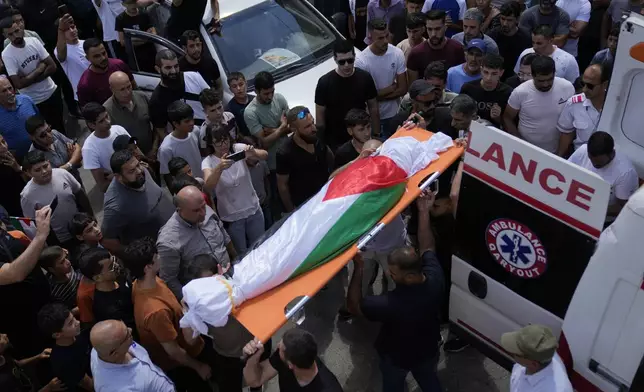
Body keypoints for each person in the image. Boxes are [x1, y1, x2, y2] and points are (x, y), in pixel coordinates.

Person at [346, 190, 444, 391]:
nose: (389, 275)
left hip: (396, 359)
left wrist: (359, 268)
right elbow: (428, 246)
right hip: (428, 350)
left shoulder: (388, 305)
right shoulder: (435, 279)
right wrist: (423, 211)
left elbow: (354, 306)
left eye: (392, 273)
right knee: (429, 380)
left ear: (408, 277)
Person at [123, 238, 213, 392]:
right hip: (184, 363)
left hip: (192, 341)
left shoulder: (145, 282)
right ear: (147, 267)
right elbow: (173, 351)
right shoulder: (155, 311)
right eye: (156, 256)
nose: (160, 257)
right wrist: (198, 367)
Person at [157, 185, 237, 299]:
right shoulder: (169, 242)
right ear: (180, 211)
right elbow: (169, 280)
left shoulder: (205, 209)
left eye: (203, 206)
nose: (203, 213)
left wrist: (236, 260)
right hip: (207, 295)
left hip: (230, 278)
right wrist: (191, 302)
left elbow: (225, 238)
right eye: (196, 211)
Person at [202, 127, 268, 253]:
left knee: (261, 246)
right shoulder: (208, 161)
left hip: (252, 207)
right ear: (211, 143)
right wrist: (219, 168)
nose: (224, 145)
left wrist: (253, 153)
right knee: (242, 253)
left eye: (226, 140)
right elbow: (207, 187)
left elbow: (265, 155)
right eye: (218, 142)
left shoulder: (238, 148)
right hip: (232, 216)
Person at [0, 206, 52, 362]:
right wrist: (41, 235)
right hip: (23, 323)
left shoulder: (6, 230)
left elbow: (28, 252)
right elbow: (14, 274)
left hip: (44, 303)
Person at [1, 17, 65, 135]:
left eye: (16, 31)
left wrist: (28, 79)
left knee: (61, 128)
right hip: (34, 101)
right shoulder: (7, 55)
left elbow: (52, 66)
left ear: (20, 27)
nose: (15, 36)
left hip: (51, 91)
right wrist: (40, 69)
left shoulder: (33, 41)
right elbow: (18, 84)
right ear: (5, 36)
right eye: (10, 34)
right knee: (45, 133)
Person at [102, 149, 174, 253]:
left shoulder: (142, 173)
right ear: (118, 177)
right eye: (131, 171)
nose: (139, 171)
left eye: (138, 165)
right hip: (161, 252)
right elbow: (108, 241)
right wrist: (138, 254)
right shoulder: (115, 207)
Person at [315, 39, 379, 151]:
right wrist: (323, 146)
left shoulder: (364, 78)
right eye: (342, 62)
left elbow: (373, 107)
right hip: (335, 141)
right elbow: (320, 120)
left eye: (350, 60)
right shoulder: (324, 83)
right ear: (335, 59)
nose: (346, 65)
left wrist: (376, 133)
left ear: (354, 57)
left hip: (361, 137)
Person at [503, 55, 575, 154]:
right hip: (525, 151)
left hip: (557, 151)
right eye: (541, 81)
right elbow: (507, 117)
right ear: (532, 75)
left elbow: (571, 121)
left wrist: (560, 154)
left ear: (554, 74)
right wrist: (518, 143)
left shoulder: (567, 88)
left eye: (549, 79)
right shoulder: (520, 92)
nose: (545, 84)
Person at [20, 151, 92, 248]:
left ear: (49, 162)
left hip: (83, 228)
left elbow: (80, 194)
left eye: (45, 166)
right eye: (38, 170)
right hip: (61, 240)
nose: (44, 171)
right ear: (28, 173)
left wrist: (91, 217)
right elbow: (32, 225)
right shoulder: (27, 196)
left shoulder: (62, 174)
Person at [243, 328, 343, 391]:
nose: (277, 346)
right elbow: (255, 380)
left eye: (281, 348)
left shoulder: (329, 388)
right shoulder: (290, 356)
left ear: (291, 365)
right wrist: (253, 357)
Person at [568, 131, 638, 221]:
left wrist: (590, 209)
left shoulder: (626, 173)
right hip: (575, 208)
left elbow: (623, 207)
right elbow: (567, 172)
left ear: (612, 154)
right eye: (591, 159)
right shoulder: (582, 151)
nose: (594, 164)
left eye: (599, 163)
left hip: (603, 221)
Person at [90, 320, 176, 392]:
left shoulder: (98, 350)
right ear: (115, 353)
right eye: (127, 335)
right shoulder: (116, 389)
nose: (130, 330)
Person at [356, 18, 408, 139]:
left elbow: (403, 89)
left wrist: (376, 97)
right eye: (380, 38)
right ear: (371, 37)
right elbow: (364, 97)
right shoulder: (362, 61)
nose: (385, 41)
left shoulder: (397, 53)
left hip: (395, 114)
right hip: (374, 119)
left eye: (387, 36)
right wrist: (390, 89)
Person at [277, 106, 334, 213]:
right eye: (307, 126)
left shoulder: (317, 137)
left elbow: (330, 159)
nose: (314, 128)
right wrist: (291, 211)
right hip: (304, 206)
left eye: (313, 122)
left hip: (325, 197)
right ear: (294, 129)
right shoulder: (285, 152)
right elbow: (282, 185)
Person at [149, 50, 209, 135]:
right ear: (158, 69)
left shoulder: (194, 77)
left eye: (176, 66)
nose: (173, 71)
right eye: (168, 68)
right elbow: (162, 131)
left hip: (210, 133)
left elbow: (212, 102)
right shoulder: (157, 100)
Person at [104, 71, 158, 165]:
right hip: (131, 162)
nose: (127, 92)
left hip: (153, 153)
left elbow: (157, 124)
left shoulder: (142, 97)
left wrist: (154, 149)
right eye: (122, 89)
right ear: (112, 89)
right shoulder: (107, 111)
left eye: (129, 87)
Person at [37, 303, 93, 392]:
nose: (77, 322)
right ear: (57, 334)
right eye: (70, 323)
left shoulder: (77, 335)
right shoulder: (64, 362)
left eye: (74, 318)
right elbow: (89, 385)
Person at [501, 324, 573, 392]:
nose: (511, 353)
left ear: (534, 364)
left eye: (515, 353)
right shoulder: (544, 352)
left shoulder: (555, 389)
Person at [557, 63, 609, 155]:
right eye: (583, 83)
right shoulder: (573, 103)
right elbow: (566, 134)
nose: (584, 89)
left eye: (590, 86)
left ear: (604, 85)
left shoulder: (616, 107)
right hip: (580, 157)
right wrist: (558, 158)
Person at [77, 246, 135, 329]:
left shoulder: (118, 275)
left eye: (114, 260)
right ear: (98, 278)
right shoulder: (106, 309)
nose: (116, 265)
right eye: (111, 267)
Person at [81, 102, 131, 193]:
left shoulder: (119, 129)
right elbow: (103, 186)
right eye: (101, 121)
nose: (107, 122)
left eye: (107, 116)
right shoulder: (89, 149)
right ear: (92, 125)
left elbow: (137, 152)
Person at [407, 10, 465, 82]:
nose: (433, 34)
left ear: (445, 27)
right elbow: (413, 87)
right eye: (430, 29)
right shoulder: (416, 53)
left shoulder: (457, 49)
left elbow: (461, 79)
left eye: (437, 29)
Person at [77, 38, 136, 108]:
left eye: (104, 53)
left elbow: (134, 86)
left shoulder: (119, 64)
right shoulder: (85, 85)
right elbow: (89, 112)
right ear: (87, 58)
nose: (103, 58)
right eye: (97, 56)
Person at [158, 101, 204, 186]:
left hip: (202, 181)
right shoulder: (166, 148)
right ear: (175, 124)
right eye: (187, 121)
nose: (192, 123)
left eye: (192, 119)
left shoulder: (195, 131)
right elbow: (167, 176)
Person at [25, 114, 82, 183]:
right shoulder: (34, 154)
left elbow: (78, 149)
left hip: (75, 178)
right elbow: (49, 177)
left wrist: (66, 165)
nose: (49, 135)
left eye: (48, 129)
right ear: (32, 137)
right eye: (43, 135)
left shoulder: (55, 133)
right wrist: (72, 160)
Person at [514, 25, 579, 84]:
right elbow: (517, 75)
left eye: (539, 43)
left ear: (551, 40)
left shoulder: (568, 60)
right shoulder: (526, 53)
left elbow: (572, 84)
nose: (535, 47)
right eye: (533, 42)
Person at [461, 53, 513, 127]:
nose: (489, 78)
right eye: (486, 72)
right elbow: (460, 115)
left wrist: (498, 118)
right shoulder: (468, 88)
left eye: (494, 74)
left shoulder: (508, 93)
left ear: (501, 73)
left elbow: (509, 124)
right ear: (481, 70)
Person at [488, 1, 532, 82]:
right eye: (502, 19)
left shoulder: (527, 38)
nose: (505, 23)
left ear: (517, 19)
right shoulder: (492, 36)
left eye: (509, 20)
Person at [55, 14, 91, 105]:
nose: (72, 31)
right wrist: (60, 29)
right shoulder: (59, 50)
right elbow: (61, 55)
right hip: (83, 94)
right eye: (66, 29)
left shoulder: (87, 43)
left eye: (72, 27)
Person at [0, 76, 39, 160]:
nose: (10, 92)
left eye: (10, 88)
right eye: (4, 91)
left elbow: (40, 122)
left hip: (40, 152)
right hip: (17, 160)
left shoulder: (26, 100)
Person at [115, 0, 157, 73]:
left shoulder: (144, 14)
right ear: (123, 4)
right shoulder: (120, 19)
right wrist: (144, 38)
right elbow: (123, 42)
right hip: (135, 57)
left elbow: (153, 34)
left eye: (134, 2)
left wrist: (134, 40)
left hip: (150, 54)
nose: (133, 5)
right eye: (130, 3)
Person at [39, 246, 82, 312]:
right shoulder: (57, 293)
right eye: (62, 262)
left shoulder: (68, 269)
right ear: (51, 269)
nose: (68, 262)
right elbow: (66, 311)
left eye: (66, 257)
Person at [244, 136, 272, 230]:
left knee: (270, 226)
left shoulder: (262, 163)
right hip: (253, 207)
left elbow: (266, 179)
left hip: (264, 201)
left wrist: (268, 194)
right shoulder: (243, 169)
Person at [197, 88, 238, 152]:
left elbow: (237, 136)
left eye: (219, 107)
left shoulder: (230, 116)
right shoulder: (204, 132)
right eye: (212, 110)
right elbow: (205, 154)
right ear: (205, 112)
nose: (218, 113)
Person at [0, 134, 28, 217]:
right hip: (10, 210)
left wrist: (18, 168)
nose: (4, 146)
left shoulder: (16, 156)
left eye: (3, 141)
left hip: (26, 200)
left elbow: (31, 180)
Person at [226, 72, 255, 137]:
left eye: (241, 84)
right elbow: (233, 131)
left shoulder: (255, 100)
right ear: (230, 89)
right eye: (234, 86)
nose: (238, 88)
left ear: (246, 84)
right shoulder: (229, 110)